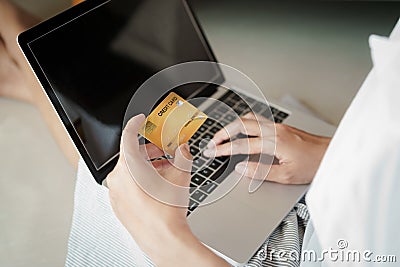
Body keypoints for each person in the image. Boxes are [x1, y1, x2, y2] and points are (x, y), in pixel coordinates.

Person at [2, 1, 399, 266]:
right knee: (146, 151)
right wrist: (336, 155)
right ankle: (27, 69)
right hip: (343, 194)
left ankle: (24, 62)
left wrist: (169, 240)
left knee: (111, 197)